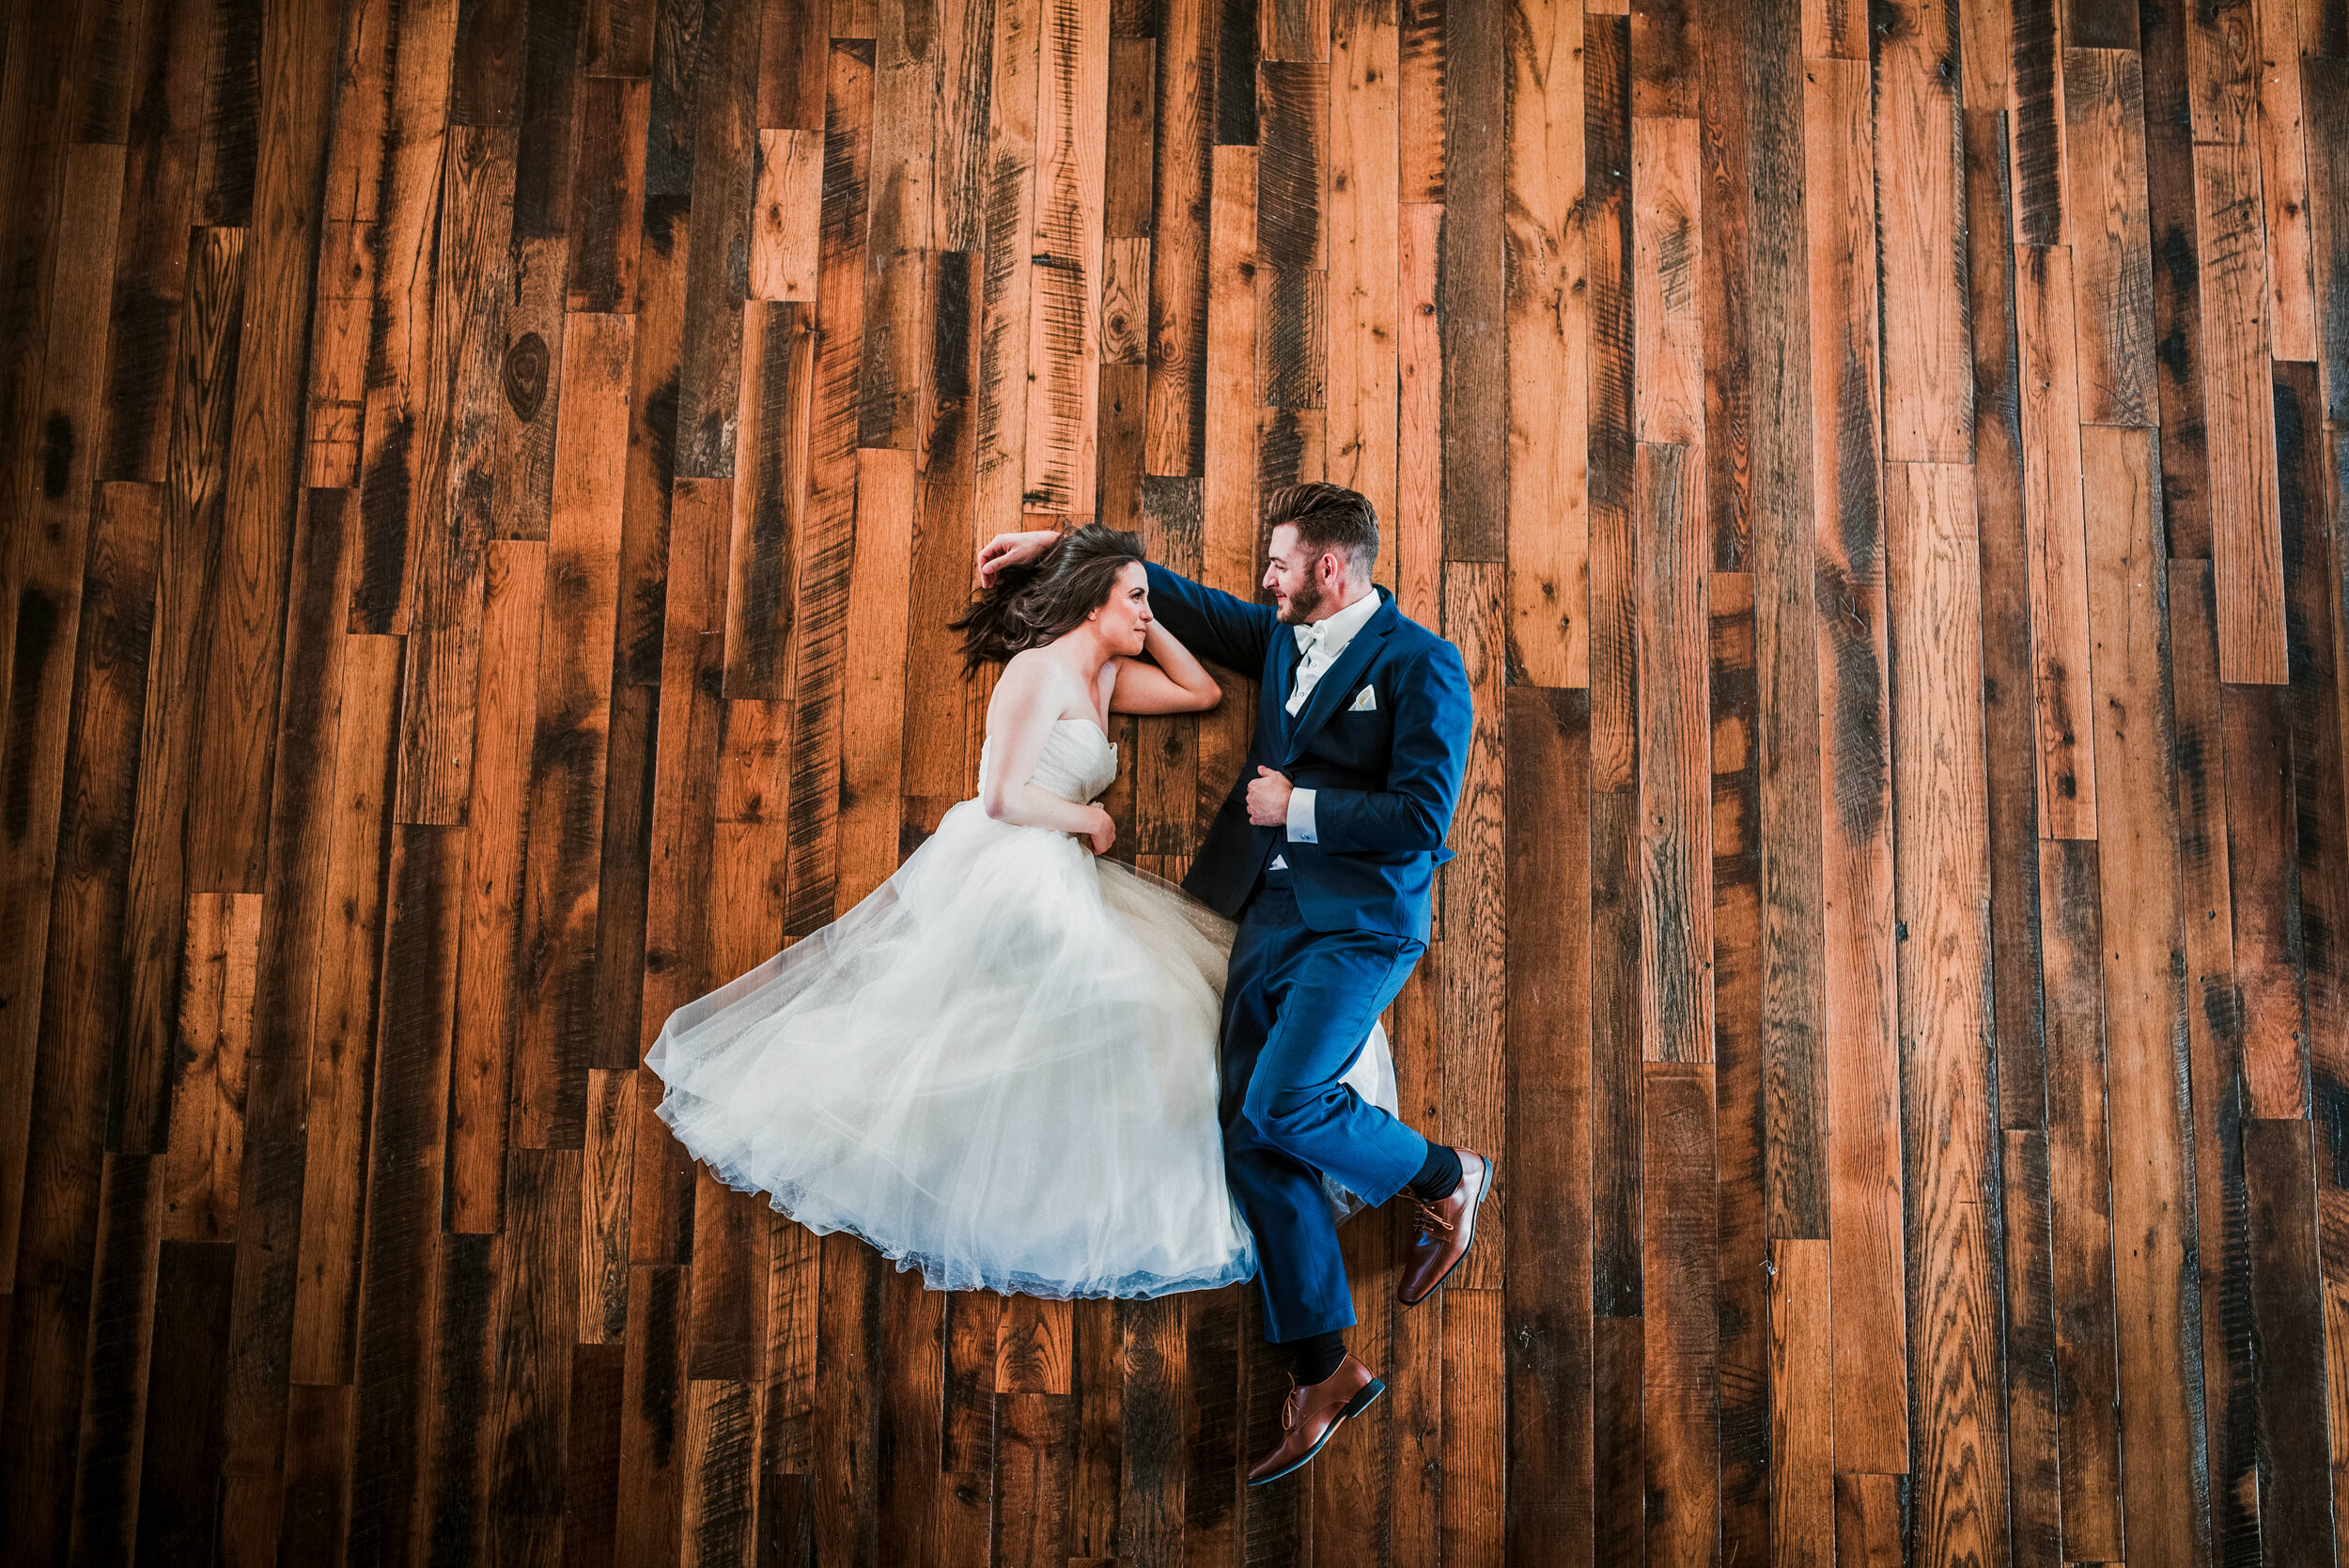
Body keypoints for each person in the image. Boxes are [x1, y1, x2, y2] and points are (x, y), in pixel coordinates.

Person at [643, 524, 1398, 1308]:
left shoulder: (1103, 679)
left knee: (1159, 1007)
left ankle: (1095, 1174)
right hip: (1013, 860)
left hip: (1065, 864)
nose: (1146, 612)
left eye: (1145, 599)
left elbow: (1199, 690)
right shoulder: (1035, 673)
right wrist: (1090, 823)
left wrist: (1141, 613)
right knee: (1117, 1005)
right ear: (1090, 600)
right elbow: (1001, 795)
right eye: (1133, 599)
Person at [978, 483, 1493, 1487]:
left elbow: (1426, 820)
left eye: (1279, 561)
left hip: (1360, 926)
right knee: (1249, 1131)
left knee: (1282, 1102)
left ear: (1330, 569)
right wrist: (1061, 548)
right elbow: (1171, 595)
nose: (1264, 578)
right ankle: (1321, 1367)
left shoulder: (1424, 664)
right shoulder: (1277, 636)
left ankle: (1445, 1176)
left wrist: (1296, 804)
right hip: (1261, 919)